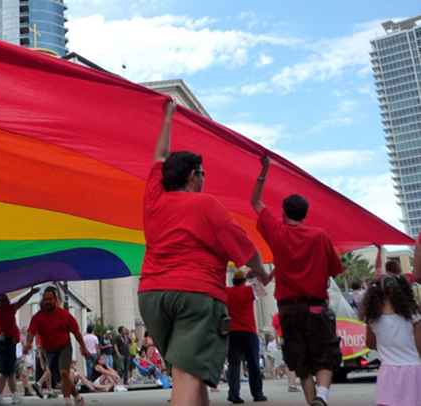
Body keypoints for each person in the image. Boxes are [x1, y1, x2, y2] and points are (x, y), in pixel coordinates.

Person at [138, 99, 268, 406]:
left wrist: (167, 117)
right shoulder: (207, 206)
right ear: (193, 176)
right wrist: (262, 274)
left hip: (152, 297)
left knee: (186, 372)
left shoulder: (153, 198)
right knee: (187, 374)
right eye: (204, 172)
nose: (205, 178)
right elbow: (247, 251)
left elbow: (159, 156)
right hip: (195, 295)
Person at [252, 156, 343, 406]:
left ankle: (313, 400)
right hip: (316, 307)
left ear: (282, 213)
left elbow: (255, 202)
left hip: (289, 310)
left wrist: (264, 171)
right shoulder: (320, 236)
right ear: (305, 214)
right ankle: (322, 397)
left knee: (301, 363)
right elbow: (336, 270)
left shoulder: (278, 232)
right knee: (325, 357)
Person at [361, 274, 421, 406]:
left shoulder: (373, 319)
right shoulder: (413, 315)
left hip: (387, 371)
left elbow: (370, 344)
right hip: (413, 371)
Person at [24, 286, 89, 406]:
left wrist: (83, 347)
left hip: (64, 347)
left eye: (50, 299)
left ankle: (67, 402)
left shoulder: (64, 315)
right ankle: (78, 397)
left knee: (64, 373)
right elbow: (31, 332)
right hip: (49, 350)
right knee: (61, 380)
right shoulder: (38, 317)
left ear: (56, 299)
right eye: (45, 299)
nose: (48, 302)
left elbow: (76, 333)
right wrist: (28, 344)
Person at [225, 270, 267, 403]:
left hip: (232, 332)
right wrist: (254, 277)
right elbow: (262, 291)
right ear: (244, 281)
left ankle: (233, 394)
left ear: (233, 281)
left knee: (234, 365)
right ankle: (257, 394)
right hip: (249, 331)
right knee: (253, 364)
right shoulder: (249, 290)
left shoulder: (227, 292)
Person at [15, 328, 35, 397]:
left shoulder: (25, 341)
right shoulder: (16, 340)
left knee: (24, 375)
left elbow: (27, 351)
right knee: (12, 376)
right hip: (15, 358)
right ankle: (14, 391)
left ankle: (26, 390)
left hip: (21, 359)